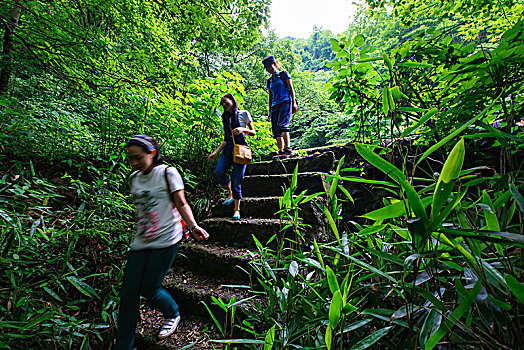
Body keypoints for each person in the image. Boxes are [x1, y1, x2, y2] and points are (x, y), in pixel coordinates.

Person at [115, 134, 209, 350]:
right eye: (131, 158)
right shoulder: (134, 178)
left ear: (152, 153)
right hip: (141, 242)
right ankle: (124, 346)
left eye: (139, 157)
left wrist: (194, 227)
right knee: (128, 294)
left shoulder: (168, 173)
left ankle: (172, 312)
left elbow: (182, 203)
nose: (135, 162)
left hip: (167, 239)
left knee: (149, 287)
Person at [208, 94, 256, 220]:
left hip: (240, 148)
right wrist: (215, 153)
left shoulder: (244, 113)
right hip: (228, 149)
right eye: (222, 103)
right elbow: (225, 139)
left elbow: (253, 132)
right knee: (219, 172)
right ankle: (230, 191)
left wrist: (242, 129)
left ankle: (236, 209)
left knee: (236, 179)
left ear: (232, 100)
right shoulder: (226, 118)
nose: (224, 104)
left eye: (225, 101)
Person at [262, 55, 298, 158]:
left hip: (285, 102)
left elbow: (291, 89)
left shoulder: (284, 74)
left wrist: (294, 103)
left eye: (270, 67)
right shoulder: (269, 81)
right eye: (267, 68)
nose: (269, 69)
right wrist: (269, 111)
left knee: (283, 125)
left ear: (275, 65)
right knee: (276, 129)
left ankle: (288, 149)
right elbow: (270, 96)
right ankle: (281, 151)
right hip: (275, 105)